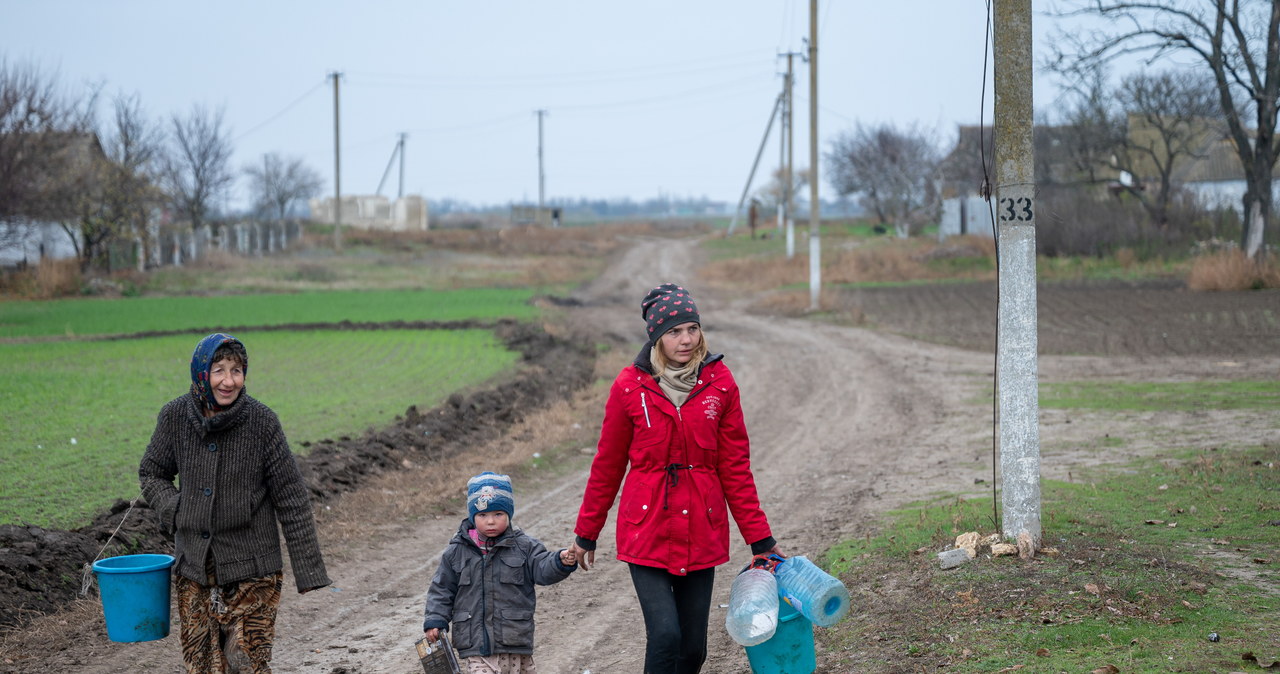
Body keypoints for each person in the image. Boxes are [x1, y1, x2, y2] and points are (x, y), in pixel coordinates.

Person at [569, 283, 783, 674]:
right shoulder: (629, 387)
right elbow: (608, 465)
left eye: (692, 329)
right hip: (646, 526)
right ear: (656, 336)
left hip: (703, 525)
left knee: (692, 652)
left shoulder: (721, 384)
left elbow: (735, 468)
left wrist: (761, 540)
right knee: (665, 636)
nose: (685, 340)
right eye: (674, 332)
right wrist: (587, 532)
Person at [139, 333, 330, 673]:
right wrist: (176, 509)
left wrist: (309, 570)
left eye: (237, 371)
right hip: (194, 569)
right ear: (201, 374)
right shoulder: (174, 417)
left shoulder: (262, 422)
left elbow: (291, 497)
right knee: (203, 666)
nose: (229, 381)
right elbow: (152, 473)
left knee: (246, 662)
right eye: (219, 370)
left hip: (254, 570)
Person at [423, 472, 577, 674]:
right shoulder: (456, 551)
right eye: (482, 515)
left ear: (509, 514)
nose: (490, 521)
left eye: (498, 514)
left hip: (514, 639)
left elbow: (542, 568)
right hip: (476, 644)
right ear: (472, 516)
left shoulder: (524, 546)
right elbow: (441, 588)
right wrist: (435, 620)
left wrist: (559, 560)